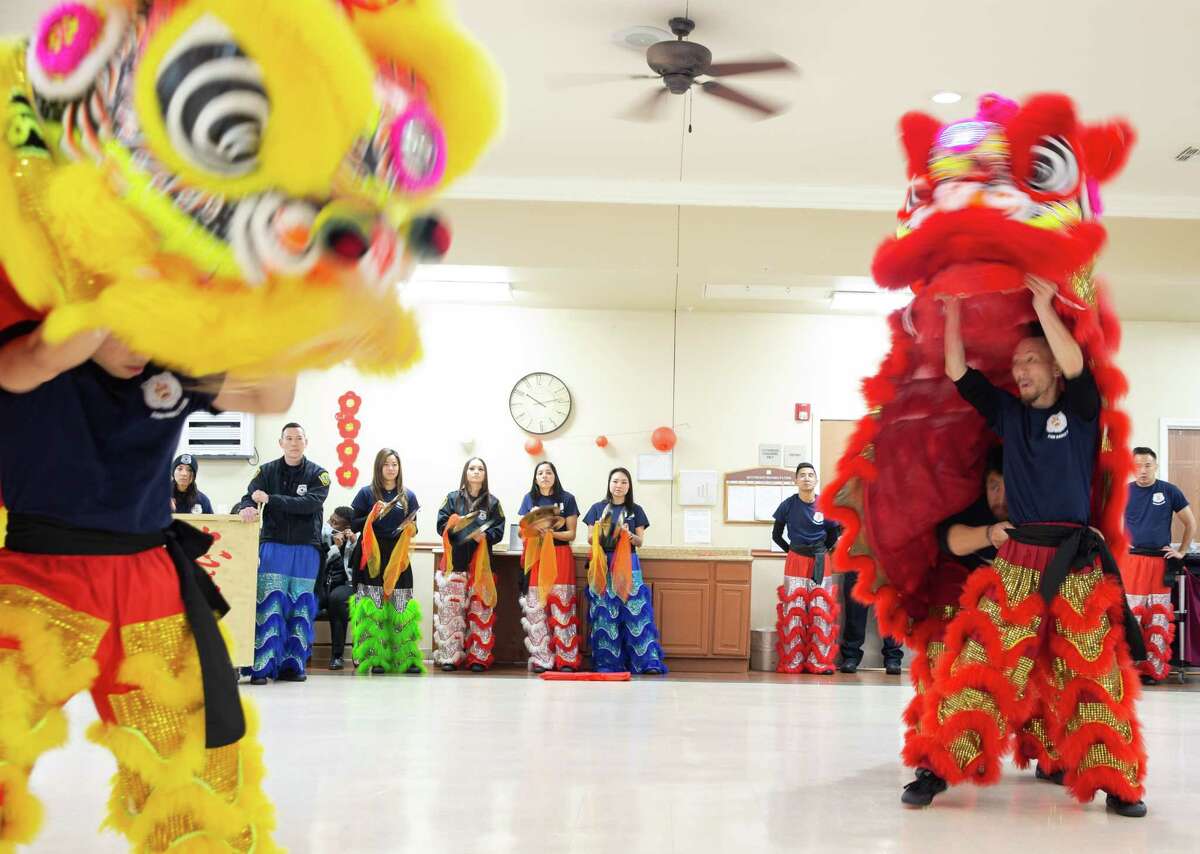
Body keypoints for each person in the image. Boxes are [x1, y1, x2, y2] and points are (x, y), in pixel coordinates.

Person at [0, 323, 286, 849]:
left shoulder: (168, 359)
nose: (138, 345)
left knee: (198, 783)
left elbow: (274, 392)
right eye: (126, 322)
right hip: (37, 585)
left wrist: (296, 296)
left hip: (150, 588)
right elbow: (32, 360)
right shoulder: (28, 346)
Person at [902, 277, 1148, 817]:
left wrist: (1042, 306)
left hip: (1076, 563)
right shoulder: (1010, 415)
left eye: (1031, 361)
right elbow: (957, 373)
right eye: (1017, 364)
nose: (1020, 371)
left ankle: (1116, 781)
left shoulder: (1082, 408)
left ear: (1054, 367)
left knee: (1092, 672)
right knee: (979, 662)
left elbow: (1079, 367)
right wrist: (950, 313)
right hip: (1016, 561)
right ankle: (938, 766)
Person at [233, 423, 330, 685]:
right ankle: (261, 667)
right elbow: (249, 496)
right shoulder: (266, 471)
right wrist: (246, 508)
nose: (294, 443)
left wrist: (271, 499)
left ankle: (293, 666)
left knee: (299, 606)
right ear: (281, 443)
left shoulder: (319, 474)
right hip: (273, 545)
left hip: (305, 549)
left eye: (299, 438)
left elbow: (309, 504)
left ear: (306, 442)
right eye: (289, 438)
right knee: (269, 605)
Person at [1121, 446, 1196, 684]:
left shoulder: (1169, 491)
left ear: (1156, 466)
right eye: (1137, 466)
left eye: (1147, 465)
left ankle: (1152, 671)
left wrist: (1182, 551)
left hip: (1159, 562)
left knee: (1158, 617)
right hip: (1131, 562)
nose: (1142, 470)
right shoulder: (1124, 492)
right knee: (1132, 617)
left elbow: (1190, 523)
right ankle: (1130, 670)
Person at [582, 467, 667, 674]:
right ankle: (608, 663)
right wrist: (601, 529)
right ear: (609, 484)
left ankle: (646, 663)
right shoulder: (597, 508)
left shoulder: (636, 510)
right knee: (605, 613)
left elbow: (640, 541)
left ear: (629, 486)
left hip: (629, 562)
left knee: (635, 612)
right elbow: (590, 539)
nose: (618, 486)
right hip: (604, 563)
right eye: (615, 481)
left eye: (623, 482)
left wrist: (628, 535)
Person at [348, 448, 424, 675]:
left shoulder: (408, 496)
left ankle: (406, 658)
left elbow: (415, 526)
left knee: (402, 604)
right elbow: (354, 524)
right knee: (373, 606)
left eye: (395, 464)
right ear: (378, 467)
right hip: (372, 553)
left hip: (398, 556)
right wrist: (372, 514)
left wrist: (411, 527)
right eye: (386, 464)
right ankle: (375, 659)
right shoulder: (365, 493)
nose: (391, 469)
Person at [434, 457, 505, 672]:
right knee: (451, 612)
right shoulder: (452, 498)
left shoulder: (493, 503)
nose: (476, 472)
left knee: (481, 613)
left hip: (481, 566)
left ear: (485, 474)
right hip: (455, 564)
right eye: (472, 468)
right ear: (466, 472)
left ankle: (478, 658)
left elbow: (498, 530)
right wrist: (457, 524)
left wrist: (483, 536)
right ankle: (449, 657)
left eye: (480, 469)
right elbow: (440, 525)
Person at [771, 462, 842, 675]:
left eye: (811, 475)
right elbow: (776, 534)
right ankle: (793, 662)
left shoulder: (825, 505)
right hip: (795, 559)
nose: (807, 478)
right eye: (802, 475)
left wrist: (821, 551)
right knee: (794, 609)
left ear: (816, 480)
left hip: (821, 560)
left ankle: (819, 662)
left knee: (821, 610)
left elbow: (833, 534)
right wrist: (793, 551)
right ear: (795, 480)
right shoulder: (788, 505)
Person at [517, 461, 582, 673]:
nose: (544, 476)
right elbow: (522, 531)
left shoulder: (567, 499)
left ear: (555, 476)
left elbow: (571, 534)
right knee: (537, 609)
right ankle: (541, 659)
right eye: (540, 473)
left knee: (562, 607)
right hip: (536, 557)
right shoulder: (529, 499)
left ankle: (567, 659)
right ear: (535, 478)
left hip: (560, 554)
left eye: (548, 472)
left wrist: (551, 534)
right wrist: (535, 527)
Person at [318, 506, 357, 671]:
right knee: (308, 599)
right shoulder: (321, 536)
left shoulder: (355, 539)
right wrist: (335, 548)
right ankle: (299, 653)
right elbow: (320, 564)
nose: (330, 524)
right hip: (322, 583)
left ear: (346, 527)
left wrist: (351, 544)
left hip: (345, 585)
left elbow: (357, 569)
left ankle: (337, 655)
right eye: (330, 519)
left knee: (337, 600)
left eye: (336, 523)